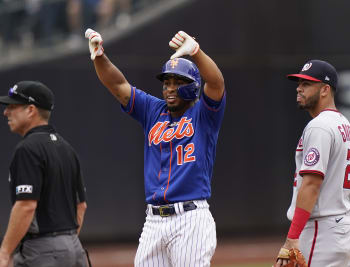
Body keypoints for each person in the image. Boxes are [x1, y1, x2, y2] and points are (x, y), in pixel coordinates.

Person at [85, 29, 226, 266]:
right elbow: (118, 85)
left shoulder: (204, 114)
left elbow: (216, 82)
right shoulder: (153, 110)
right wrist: (100, 56)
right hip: (154, 220)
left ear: (192, 86)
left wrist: (196, 52)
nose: (169, 88)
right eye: (167, 82)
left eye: (177, 82)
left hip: (190, 218)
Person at [274, 60, 350, 267]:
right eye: (299, 83)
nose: (299, 88)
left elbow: (312, 185)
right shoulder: (344, 124)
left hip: (322, 230)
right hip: (341, 225)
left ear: (325, 89)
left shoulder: (320, 126)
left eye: (306, 84)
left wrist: (292, 238)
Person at [0, 81, 88, 267]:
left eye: (13, 106)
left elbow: (26, 206)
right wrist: (65, 244)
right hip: (74, 246)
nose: (6, 112)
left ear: (30, 110)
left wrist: (5, 251)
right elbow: (81, 206)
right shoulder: (67, 148)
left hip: (41, 251)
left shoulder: (27, 149)